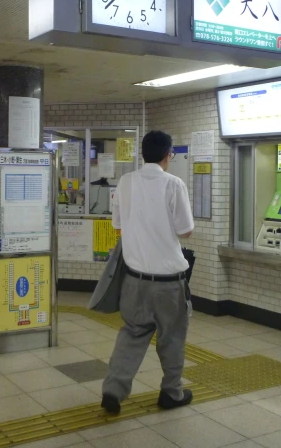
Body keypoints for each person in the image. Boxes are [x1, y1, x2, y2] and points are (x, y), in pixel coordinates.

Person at [101, 130, 195, 414]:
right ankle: (171, 393)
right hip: (169, 284)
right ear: (169, 156)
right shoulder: (173, 184)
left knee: (131, 334)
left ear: (142, 153)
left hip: (134, 280)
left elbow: (118, 224)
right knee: (172, 338)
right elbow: (186, 231)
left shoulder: (126, 182)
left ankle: (113, 391)